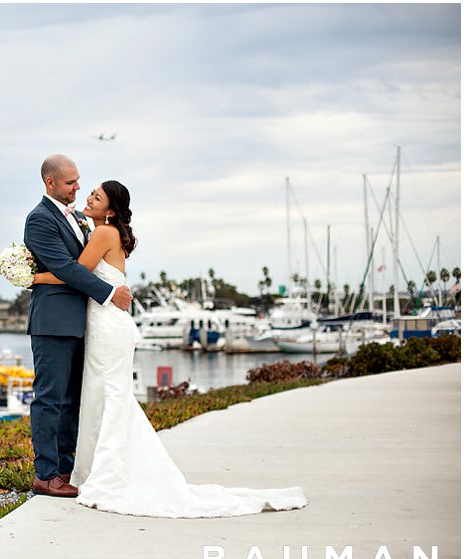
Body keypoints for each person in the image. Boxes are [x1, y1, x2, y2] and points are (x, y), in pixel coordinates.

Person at [32, 180, 307, 518]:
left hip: (106, 326)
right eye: (88, 191)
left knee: (108, 396)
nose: (87, 195)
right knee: (104, 396)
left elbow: (72, 273)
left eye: (97, 196)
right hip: (105, 324)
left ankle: (105, 471)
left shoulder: (103, 234)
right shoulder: (98, 229)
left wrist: (31, 277)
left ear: (112, 210)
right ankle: (97, 469)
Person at [23, 154, 133, 498]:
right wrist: (110, 293)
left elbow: (84, 264)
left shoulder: (85, 222)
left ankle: (67, 467)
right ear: (50, 183)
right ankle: (46, 474)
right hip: (54, 323)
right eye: (71, 182)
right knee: (49, 399)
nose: (78, 187)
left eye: (79, 180)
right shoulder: (40, 219)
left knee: (73, 401)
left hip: (85, 322)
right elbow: (70, 268)